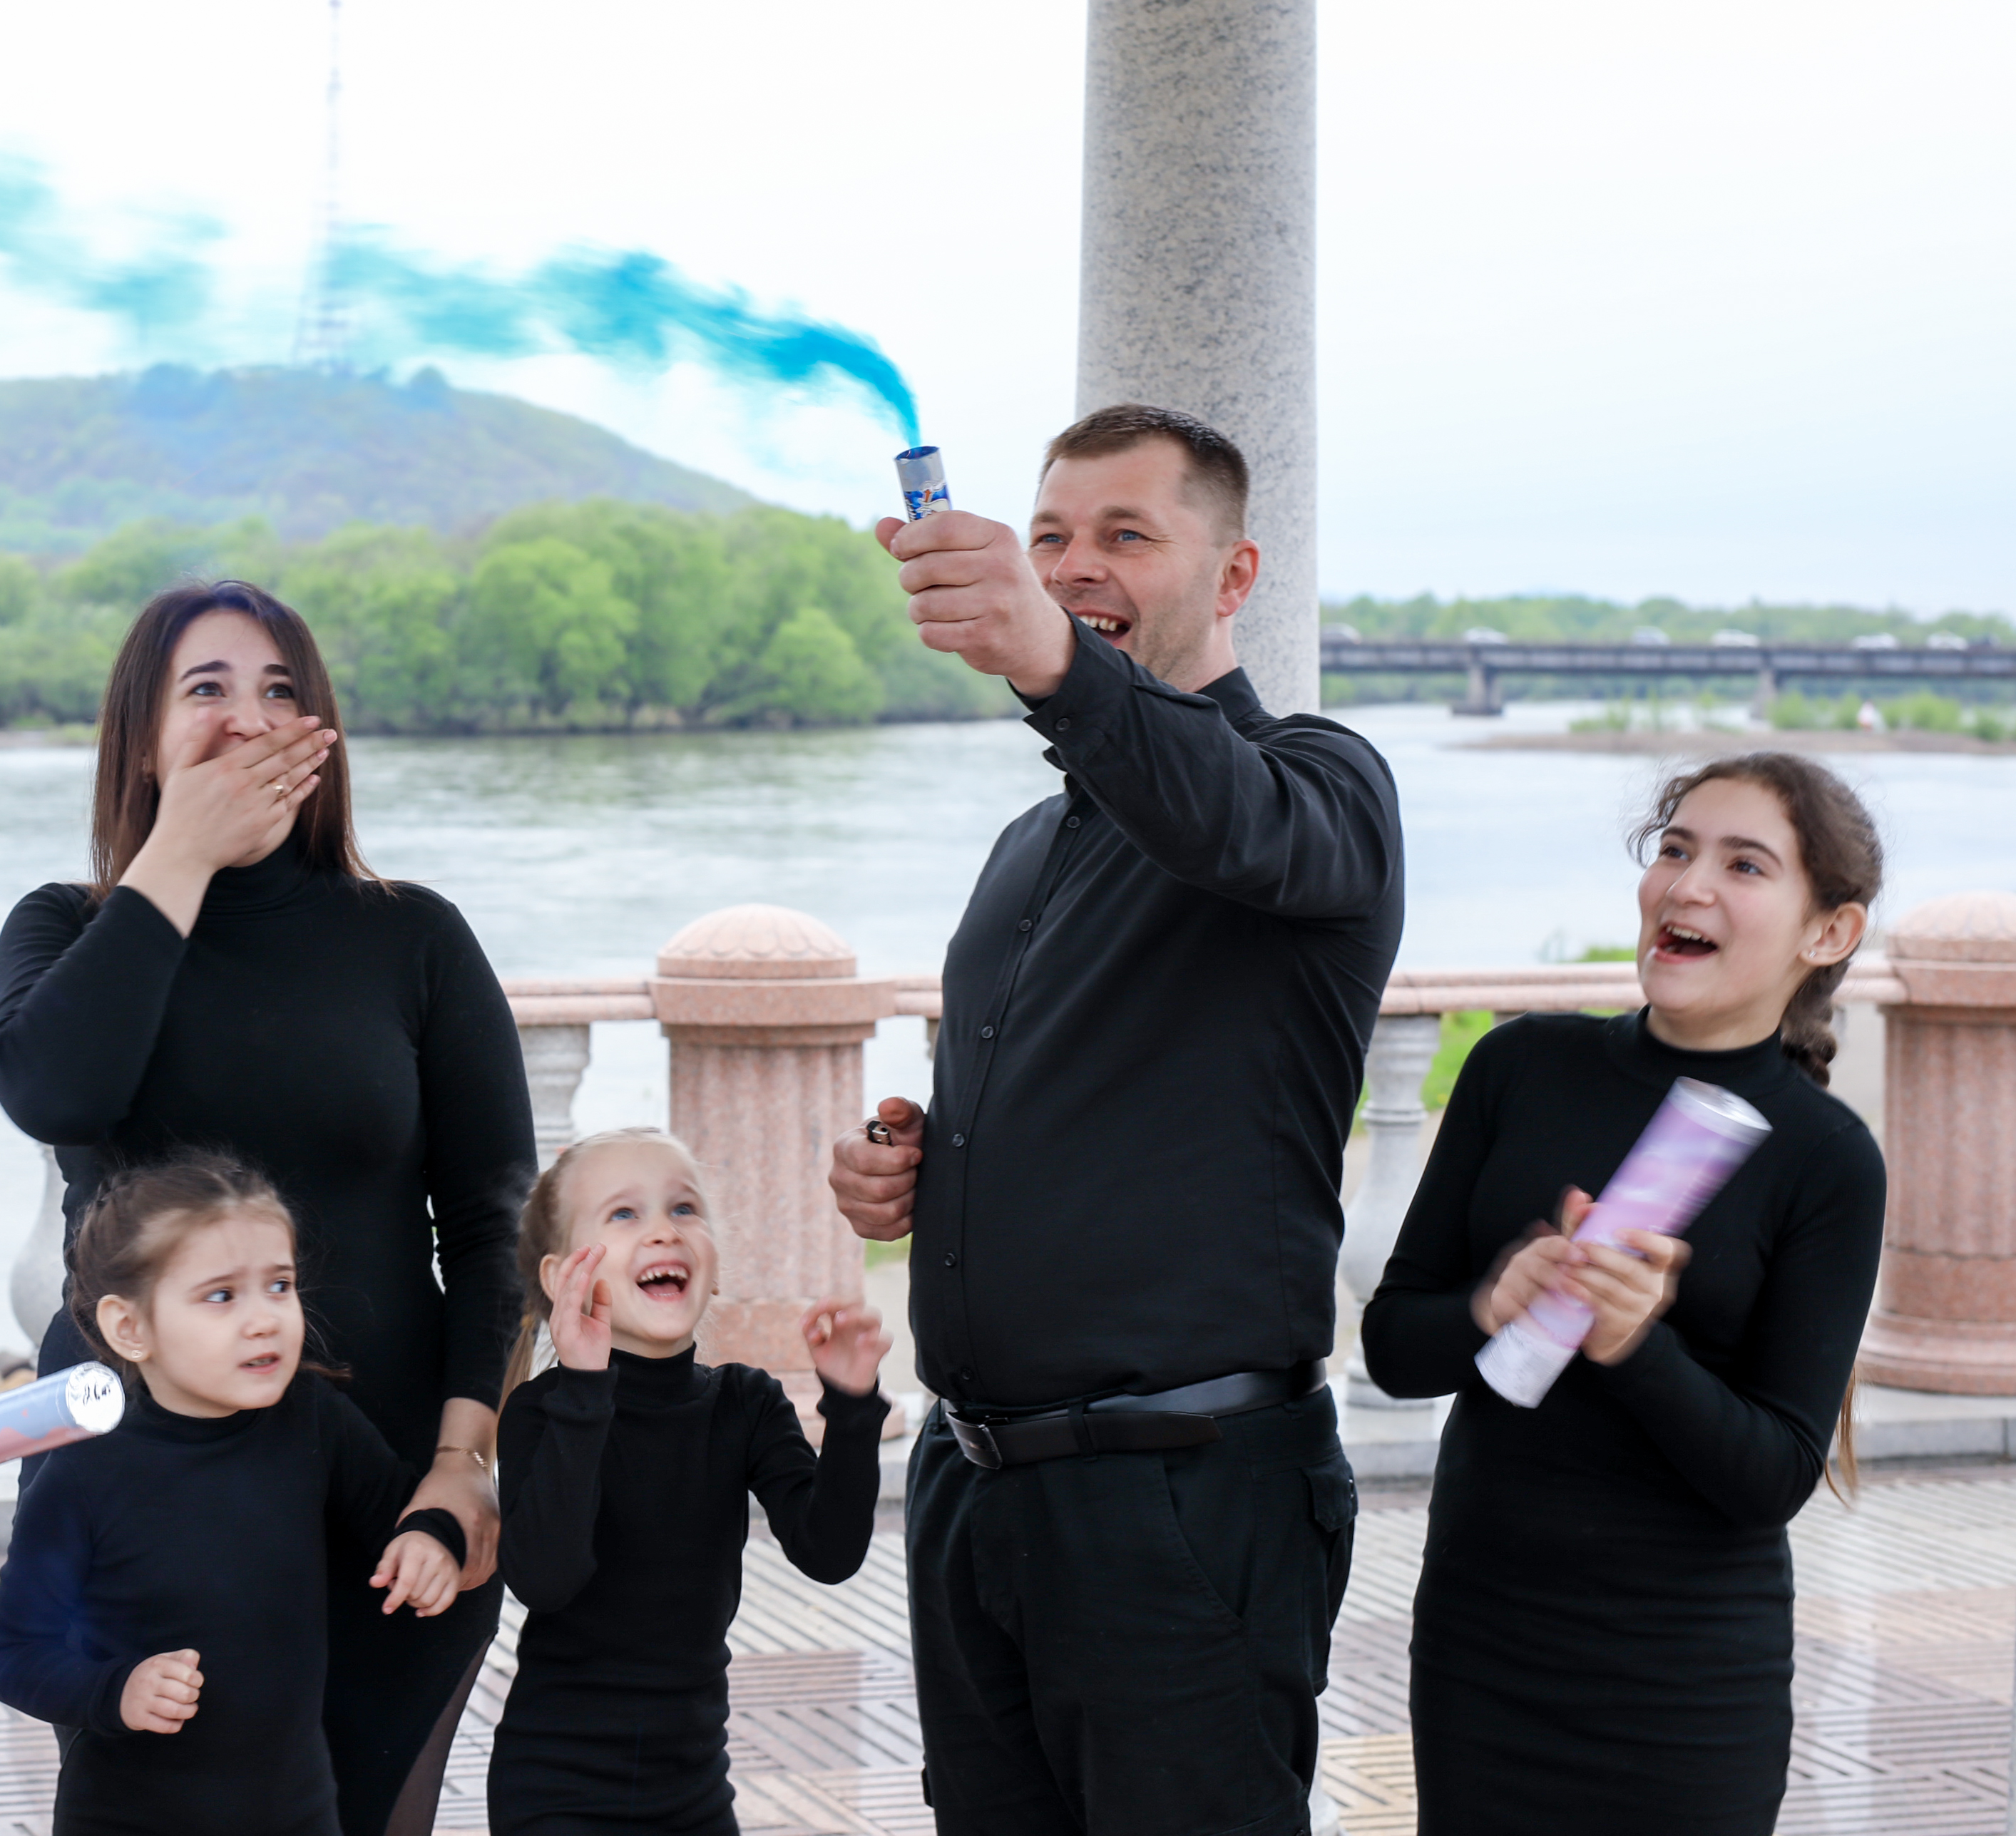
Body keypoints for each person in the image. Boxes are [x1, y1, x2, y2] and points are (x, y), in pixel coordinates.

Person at [827, 403, 1403, 1833]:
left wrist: (1050, 658)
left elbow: (1221, 815)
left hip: (1183, 1500)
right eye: (1048, 537)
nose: (1073, 564)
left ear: (1235, 572)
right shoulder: (1029, 842)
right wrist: (916, 1166)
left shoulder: (1319, 785)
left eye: (1125, 534)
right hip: (972, 1484)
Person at [0, 580, 533, 1836]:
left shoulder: (411, 936)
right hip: (138, 1491)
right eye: (207, 689)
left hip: (389, 1493)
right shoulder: (68, 927)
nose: (250, 717)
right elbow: (54, 1088)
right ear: (140, 739)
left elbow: (495, 1222)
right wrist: (178, 855)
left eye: (280, 689)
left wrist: (462, 1463)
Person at [1362, 753, 1885, 1835]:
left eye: (1744, 865)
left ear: (1828, 931)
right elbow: (1392, 1350)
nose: (1686, 886)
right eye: (1675, 849)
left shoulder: (1826, 1157)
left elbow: (1771, 1477)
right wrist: (1492, 1304)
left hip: (1684, 1688)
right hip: (1481, 1645)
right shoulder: (1519, 1067)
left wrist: (1638, 1344)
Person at [0, 1156, 468, 1836]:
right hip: (127, 1820)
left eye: (280, 1285)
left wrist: (432, 1535)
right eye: (221, 1295)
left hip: (296, 1812)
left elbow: (401, 1513)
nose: (264, 1318)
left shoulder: (312, 1418)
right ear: (130, 1327)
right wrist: (115, 1690)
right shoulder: (84, 1474)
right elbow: (7, 1652)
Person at [487, 1129, 890, 1835]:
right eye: (624, 1213)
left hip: (693, 1789)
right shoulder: (542, 1410)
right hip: (557, 1789)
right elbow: (545, 1579)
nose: (662, 1231)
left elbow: (829, 1552)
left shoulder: (745, 1403)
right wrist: (584, 1391)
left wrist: (852, 1408)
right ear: (560, 1278)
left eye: (683, 1207)